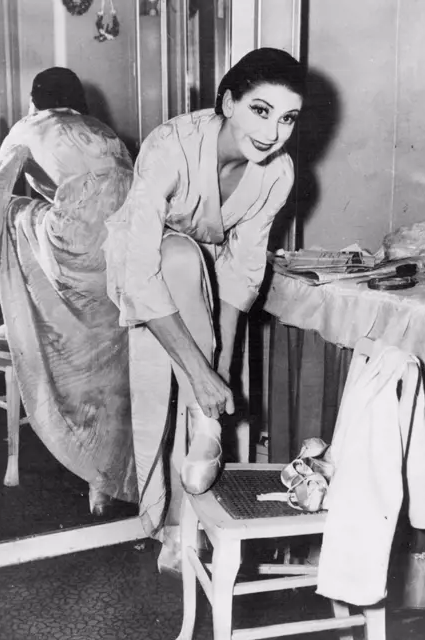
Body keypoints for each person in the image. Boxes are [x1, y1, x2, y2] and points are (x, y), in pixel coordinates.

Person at [104, 48, 305, 552]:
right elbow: (142, 265)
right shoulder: (170, 145)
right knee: (177, 258)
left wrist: (222, 369)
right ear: (229, 101)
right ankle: (182, 503)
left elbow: (240, 277)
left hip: (207, 274)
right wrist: (200, 372)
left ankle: (183, 522)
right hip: (141, 260)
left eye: (287, 119)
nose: (272, 132)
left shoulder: (278, 175)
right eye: (260, 110)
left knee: (210, 374)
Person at [0, 67, 138, 514]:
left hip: (73, 244)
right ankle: (106, 480)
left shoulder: (30, 126)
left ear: (36, 99)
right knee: (107, 357)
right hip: (122, 247)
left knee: (11, 211)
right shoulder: (104, 130)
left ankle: (23, 322)